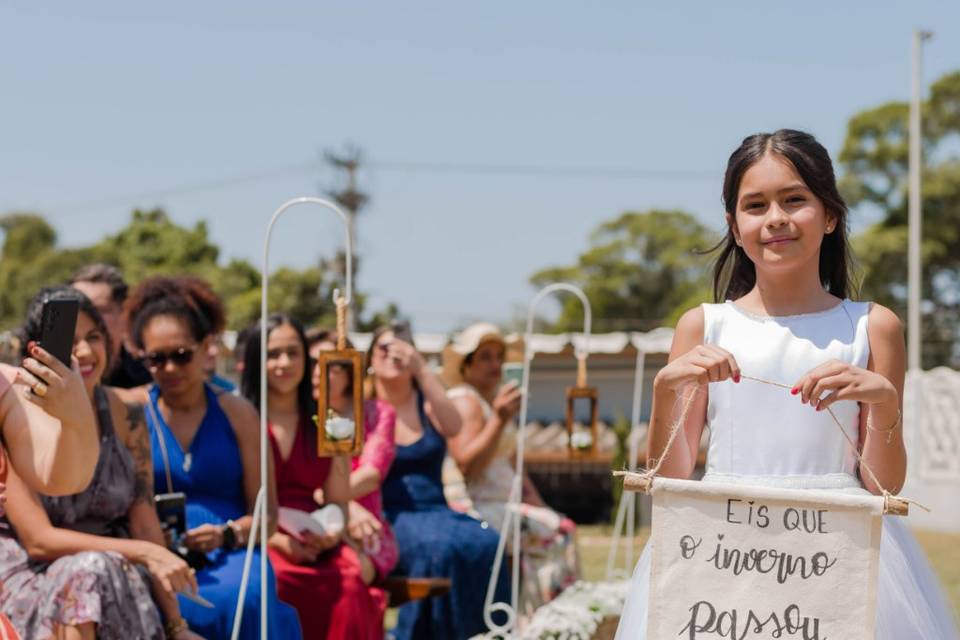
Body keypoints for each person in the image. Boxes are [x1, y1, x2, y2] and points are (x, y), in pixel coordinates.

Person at [615, 129, 958, 639]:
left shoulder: (871, 326)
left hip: (838, 547)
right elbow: (669, 479)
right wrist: (667, 390)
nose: (775, 217)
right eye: (755, 205)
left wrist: (884, 402)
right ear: (734, 225)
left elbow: (885, 486)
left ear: (830, 215)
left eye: (794, 200)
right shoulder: (703, 326)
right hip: (720, 548)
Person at [0, 287, 201, 640]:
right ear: (37, 350)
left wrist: (176, 624)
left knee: (101, 572)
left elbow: (144, 521)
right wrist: (144, 553)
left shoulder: (129, 412)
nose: (85, 351)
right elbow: (38, 540)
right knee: (88, 573)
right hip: (35, 576)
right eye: (71, 340)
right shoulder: (20, 411)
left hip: (116, 572)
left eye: (94, 337)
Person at [126, 276, 301, 639]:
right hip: (157, 547)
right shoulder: (133, 411)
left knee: (245, 596)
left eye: (181, 355)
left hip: (232, 550)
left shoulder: (238, 413)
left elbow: (266, 517)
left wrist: (227, 534)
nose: (170, 369)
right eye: (156, 359)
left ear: (206, 347)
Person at [242, 316, 386, 639]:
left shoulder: (330, 423)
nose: (285, 363)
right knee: (272, 580)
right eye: (273, 354)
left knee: (349, 579)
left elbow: (338, 498)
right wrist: (278, 541)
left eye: (294, 353)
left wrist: (332, 535)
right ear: (256, 360)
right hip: (262, 535)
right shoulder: (244, 418)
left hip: (318, 535)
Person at [371, 325, 509, 640]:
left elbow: (454, 425)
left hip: (437, 508)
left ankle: (491, 632)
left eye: (402, 349)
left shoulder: (429, 405)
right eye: (384, 349)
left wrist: (421, 370)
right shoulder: (366, 409)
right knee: (438, 550)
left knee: (488, 542)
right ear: (370, 360)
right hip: (390, 512)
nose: (394, 355)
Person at [444, 322, 579, 617]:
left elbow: (516, 469)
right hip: (473, 506)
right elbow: (467, 464)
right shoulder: (465, 400)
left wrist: (544, 508)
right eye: (485, 357)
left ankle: (537, 619)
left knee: (559, 527)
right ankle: (544, 621)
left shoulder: (494, 402)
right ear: (466, 366)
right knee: (559, 536)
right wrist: (500, 419)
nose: (495, 364)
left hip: (503, 503)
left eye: (498, 356)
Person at [309, 329, 399, 585]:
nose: (318, 372)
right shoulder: (298, 417)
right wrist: (345, 506)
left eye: (330, 365)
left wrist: (342, 506)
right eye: (312, 363)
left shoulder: (378, 413)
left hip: (366, 529)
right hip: (310, 522)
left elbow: (371, 475)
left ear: (349, 372)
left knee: (350, 579)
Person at [70, 264, 152, 390]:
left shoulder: (150, 372)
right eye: (77, 309)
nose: (86, 318)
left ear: (124, 314)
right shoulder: (55, 373)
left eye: (98, 309)